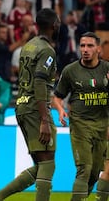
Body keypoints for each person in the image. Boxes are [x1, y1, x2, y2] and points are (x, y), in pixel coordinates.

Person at [0, 8, 60, 201]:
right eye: (57, 23)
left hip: (22, 106)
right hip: (36, 109)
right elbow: (40, 81)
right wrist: (44, 119)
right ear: (53, 26)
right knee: (48, 164)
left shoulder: (28, 46)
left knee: (40, 166)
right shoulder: (47, 50)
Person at [53, 32, 109, 201]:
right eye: (82, 46)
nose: (85, 49)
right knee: (84, 169)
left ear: (98, 49)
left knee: (94, 173)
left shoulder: (107, 69)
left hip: (102, 126)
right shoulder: (71, 70)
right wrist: (60, 109)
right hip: (80, 124)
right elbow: (57, 96)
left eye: (90, 46)